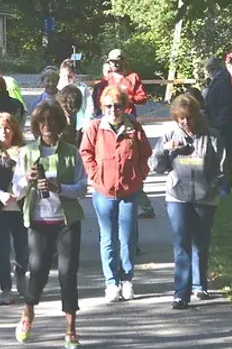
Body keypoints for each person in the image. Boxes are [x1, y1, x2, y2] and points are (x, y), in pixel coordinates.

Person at [12, 101, 87, 348]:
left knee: (68, 274)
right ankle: (28, 312)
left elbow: (82, 189)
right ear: (36, 126)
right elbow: (16, 191)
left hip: (66, 221)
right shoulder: (27, 152)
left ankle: (71, 329)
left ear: (59, 124)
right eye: (42, 122)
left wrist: (59, 188)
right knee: (38, 272)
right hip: (38, 221)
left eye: (51, 121)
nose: (47, 126)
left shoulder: (70, 151)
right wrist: (27, 179)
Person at [150, 94, 225, 309]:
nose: (185, 123)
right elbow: (156, 167)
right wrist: (165, 150)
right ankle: (181, 293)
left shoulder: (212, 136)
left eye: (189, 118)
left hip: (205, 197)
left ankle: (200, 285)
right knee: (181, 242)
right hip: (177, 196)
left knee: (200, 242)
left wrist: (212, 187)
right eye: (180, 119)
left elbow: (222, 167)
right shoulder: (170, 136)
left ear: (197, 115)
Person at [80, 86, 152, 303]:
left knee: (128, 237)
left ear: (125, 106)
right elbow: (85, 153)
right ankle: (111, 282)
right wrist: (95, 174)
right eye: (109, 106)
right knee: (108, 238)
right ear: (103, 107)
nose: (113, 110)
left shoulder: (134, 127)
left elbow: (145, 154)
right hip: (103, 191)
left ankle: (127, 278)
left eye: (118, 106)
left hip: (129, 190)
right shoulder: (94, 127)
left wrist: (139, 175)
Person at [99, 50, 153, 218]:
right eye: (111, 61)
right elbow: (98, 99)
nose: (114, 64)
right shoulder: (105, 80)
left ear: (123, 61)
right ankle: (112, 198)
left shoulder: (133, 77)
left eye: (117, 61)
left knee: (130, 162)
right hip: (108, 124)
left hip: (129, 124)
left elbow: (143, 97)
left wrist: (126, 99)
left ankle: (144, 204)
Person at [0, 112, 28, 306]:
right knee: (2, 250)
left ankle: (20, 273)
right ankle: (6, 288)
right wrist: (1, 195)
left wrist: (19, 193)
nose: (4, 131)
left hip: (21, 207)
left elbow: (29, 177)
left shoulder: (25, 152)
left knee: (23, 249)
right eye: (0, 128)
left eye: (8, 127)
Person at [203, 57, 232, 195]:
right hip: (218, 123)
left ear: (212, 70)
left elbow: (224, 106)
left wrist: (220, 123)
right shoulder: (221, 81)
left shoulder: (221, 82)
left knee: (223, 156)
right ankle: (222, 184)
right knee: (220, 156)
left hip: (220, 125)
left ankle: (225, 186)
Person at [58, 59, 94, 133]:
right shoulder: (58, 88)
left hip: (80, 125)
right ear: (60, 74)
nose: (67, 79)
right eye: (64, 76)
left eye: (70, 76)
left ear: (74, 75)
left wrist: (87, 122)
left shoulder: (82, 88)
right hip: (62, 125)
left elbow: (89, 106)